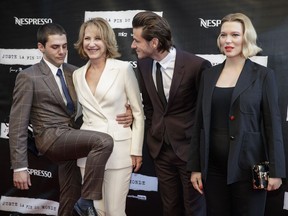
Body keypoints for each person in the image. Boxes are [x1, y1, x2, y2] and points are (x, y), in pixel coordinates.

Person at [9, 23, 133, 216]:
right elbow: (17, 124)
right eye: (55, 47)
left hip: (73, 139)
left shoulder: (75, 72)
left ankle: (79, 202)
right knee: (103, 141)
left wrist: (129, 111)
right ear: (41, 47)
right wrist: (20, 167)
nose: (61, 51)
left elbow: (94, 103)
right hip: (51, 138)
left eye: (64, 46)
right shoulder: (28, 76)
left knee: (70, 195)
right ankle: (88, 200)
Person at [187, 12, 286, 216]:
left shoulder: (263, 76)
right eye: (223, 35)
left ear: (246, 37)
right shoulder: (208, 76)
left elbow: (273, 126)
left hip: (249, 169)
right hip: (213, 169)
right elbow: (199, 124)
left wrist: (276, 172)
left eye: (235, 35)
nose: (228, 40)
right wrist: (196, 167)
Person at [131, 11, 211, 216]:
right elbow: (149, 106)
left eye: (137, 41)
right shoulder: (143, 64)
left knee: (194, 209)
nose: (133, 46)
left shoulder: (196, 66)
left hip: (189, 153)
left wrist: (198, 159)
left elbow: (205, 114)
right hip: (160, 150)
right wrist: (152, 135)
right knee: (169, 207)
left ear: (154, 42)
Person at [73, 17, 144, 216]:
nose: (92, 44)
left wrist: (136, 150)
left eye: (98, 38)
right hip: (87, 151)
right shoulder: (77, 74)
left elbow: (138, 112)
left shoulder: (122, 69)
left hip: (118, 149)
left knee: (114, 211)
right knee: (95, 210)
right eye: (87, 38)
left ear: (107, 42)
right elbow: (76, 111)